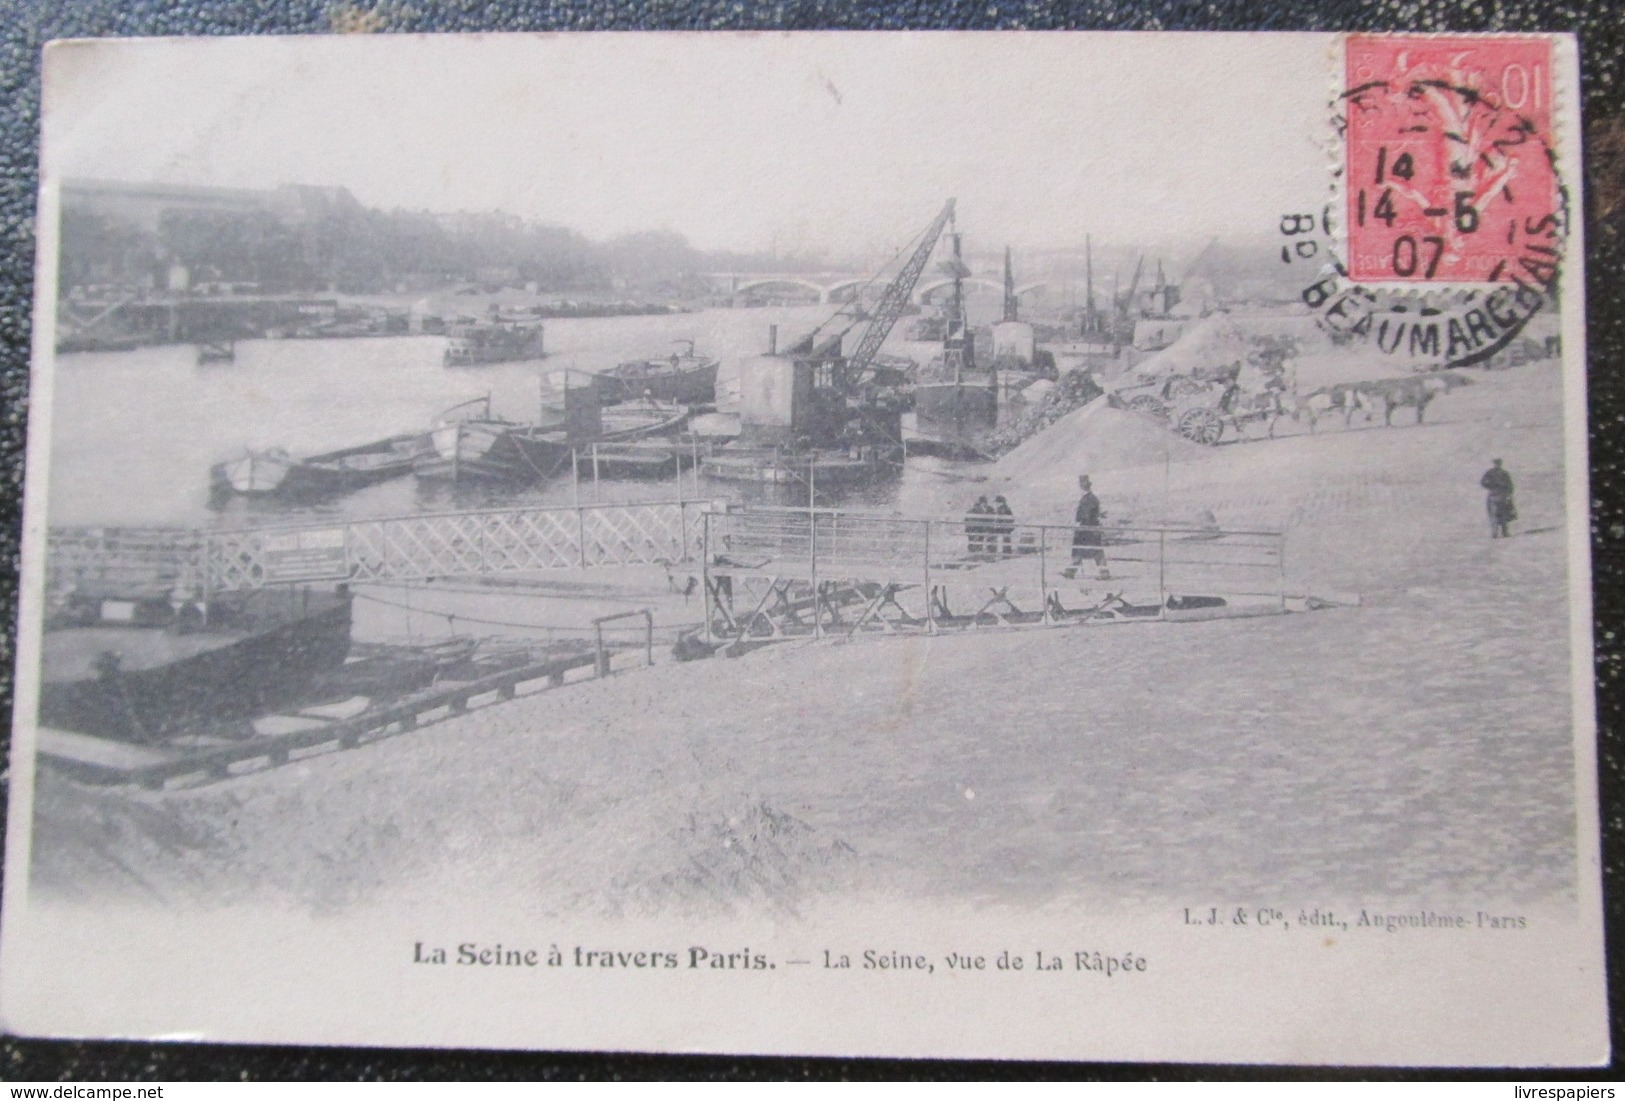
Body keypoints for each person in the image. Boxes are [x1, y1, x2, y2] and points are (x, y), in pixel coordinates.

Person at [1071, 475, 1106, 573]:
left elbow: (1088, 514)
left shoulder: (1090, 498)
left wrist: (1080, 524)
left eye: (1082, 483)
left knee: (1095, 552)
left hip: (1088, 529)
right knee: (1082, 550)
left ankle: (1104, 573)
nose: (1081, 485)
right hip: (1087, 529)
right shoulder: (1088, 498)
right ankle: (1071, 571)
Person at [1481, 459, 1516, 538]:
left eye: (1498, 464)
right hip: (1494, 495)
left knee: (1502, 514)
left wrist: (1508, 494)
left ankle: (1503, 531)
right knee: (1495, 515)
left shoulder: (1503, 473)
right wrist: (1491, 486)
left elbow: (1510, 485)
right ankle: (1496, 532)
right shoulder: (1492, 473)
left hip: (1500, 496)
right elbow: (1483, 482)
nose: (1497, 465)